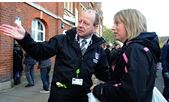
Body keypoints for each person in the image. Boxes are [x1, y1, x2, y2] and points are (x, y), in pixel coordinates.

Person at [0, 9, 110, 102]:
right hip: (59, 97)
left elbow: (105, 75)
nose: (80, 25)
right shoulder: (62, 40)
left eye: (85, 23)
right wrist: (25, 38)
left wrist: (100, 88)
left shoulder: (98, 51)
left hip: (82, 98)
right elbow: (39, 51)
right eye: (79, 21)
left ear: (95, 28)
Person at [92, 9, 160, 102]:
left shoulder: (135, 50)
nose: (112, 28)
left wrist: (100, 90)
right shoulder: (136, 48)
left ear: (129, 24)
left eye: (117, 23)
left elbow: (131, 92)